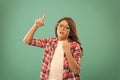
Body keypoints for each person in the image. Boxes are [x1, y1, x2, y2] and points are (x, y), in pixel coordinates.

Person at [23, 13, 83, 80]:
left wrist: (67, 51)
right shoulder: (50, 42)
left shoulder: (75, 45)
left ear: (71, 31)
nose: (62, 29)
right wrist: (36, 25)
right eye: (61, 25)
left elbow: (76, 70)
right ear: (57, 27)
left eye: (67, 27)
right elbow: (27, 41)